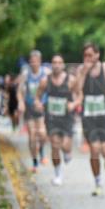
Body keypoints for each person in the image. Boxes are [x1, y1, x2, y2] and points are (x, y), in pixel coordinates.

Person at [74, 41, 105, 196]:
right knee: (94, 149)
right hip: (88, 116)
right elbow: (76, 90)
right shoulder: (81, 70)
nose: (87, 58)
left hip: (104, 116)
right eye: (85, 55)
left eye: (90, 55)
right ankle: (98, 182)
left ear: (97, 55)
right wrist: (83, 73)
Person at [35, 55, 77, 185]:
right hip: (52, 117)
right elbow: (37, 97)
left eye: (59, 62)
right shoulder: (45, 81)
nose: (57, 65)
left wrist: (73, 104)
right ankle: (58, 174)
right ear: (51, 65)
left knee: (65, 146)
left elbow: (79, 95)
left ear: (63, 65)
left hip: (67, 118)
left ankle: (67, 152)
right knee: (54, 145)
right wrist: (38, 104)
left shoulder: (71, 80)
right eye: (54, 62)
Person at [16, 51, 49, 171]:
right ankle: (35, 163)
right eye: (32, 61)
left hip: (41, 106)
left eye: (36, 61)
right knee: (32, 136)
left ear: (40, 61)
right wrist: (20, 102)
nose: (34, 63)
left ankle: (41, 152)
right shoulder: (25, 73)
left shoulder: (46, 73)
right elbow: (19, 91)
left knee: (42, 134)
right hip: (29, 107)